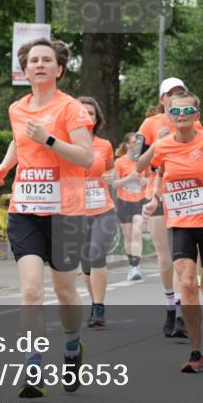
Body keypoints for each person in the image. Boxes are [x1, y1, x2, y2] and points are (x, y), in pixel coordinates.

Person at [0, 38, 95, 399]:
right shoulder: (18, 109)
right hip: (25, 210)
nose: (39, 64)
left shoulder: (71, 110)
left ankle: (71, 345)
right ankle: (33, 366)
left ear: (59, 69)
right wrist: (5, 166)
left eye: (46, 60)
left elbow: (85, 157)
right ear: (25, 69)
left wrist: (49, 138)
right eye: (33, 60)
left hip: (65, 211)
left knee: (65, 292)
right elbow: (21, 141)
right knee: (32, 290)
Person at [140, 92, 203, 372]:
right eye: (175, 111)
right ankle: (196, 353)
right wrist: (154, 198)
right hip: (181, 223)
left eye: (187, 110)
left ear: (196, 116)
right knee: (186, 283)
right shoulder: (163, 147)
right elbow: (154, 172)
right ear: (168, 116)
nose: (181, 115)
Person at [135, 78, 203, 339]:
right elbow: (137, 164)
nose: (175, 98)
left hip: (187, 194)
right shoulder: (150, 124)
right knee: (165, 257)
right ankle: (170, 305)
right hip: (157, 193)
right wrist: (157, 144)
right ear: (162, 99)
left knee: (182, 258)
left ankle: (181, 310)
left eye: (180, 94)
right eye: (170, 95)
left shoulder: (194, 122)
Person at [77, 96, 118, 328]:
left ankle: (99, 307)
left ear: (96, 119)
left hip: (103, 209)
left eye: (91, 113)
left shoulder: (105, 146)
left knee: (96, 253)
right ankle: (94, 302)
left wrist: (112, 177)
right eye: (82, 113)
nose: (86, 117)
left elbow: (111, 169)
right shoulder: (67, 145)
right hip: (77, 212)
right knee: (85, 262)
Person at [112, 133, 148, 280]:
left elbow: (150, 179)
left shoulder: (143, 161)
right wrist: (130, 177)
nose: (137, 145)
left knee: (137, 231)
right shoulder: (120, 162)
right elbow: (114, 184)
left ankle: (136, 266)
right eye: (134, 142)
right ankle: (131, 265)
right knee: (128, 237)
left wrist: (143, 181)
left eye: (139, 142)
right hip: (124, 202)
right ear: (127, 145)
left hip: (140, 200)